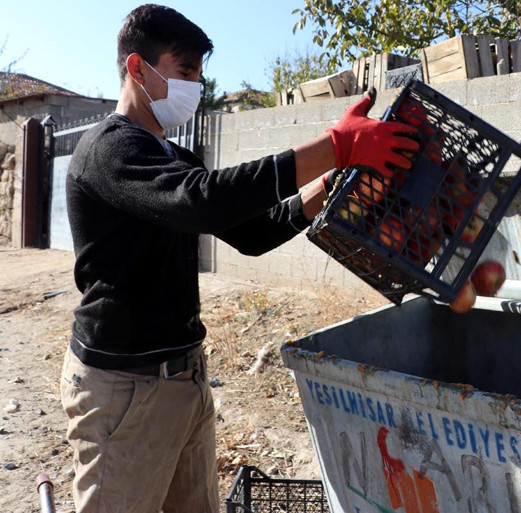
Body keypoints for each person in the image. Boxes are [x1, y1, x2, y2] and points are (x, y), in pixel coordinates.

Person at [60, 4, 418, 512]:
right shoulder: (108, 150)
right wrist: (334, 145)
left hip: (185, 381)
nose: (195, 88)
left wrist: (326, 185)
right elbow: (202, 201)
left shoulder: (173, 157)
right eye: (184, 72)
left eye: (199, 76)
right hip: (125, 391)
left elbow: (252, 232)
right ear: (137, 68)